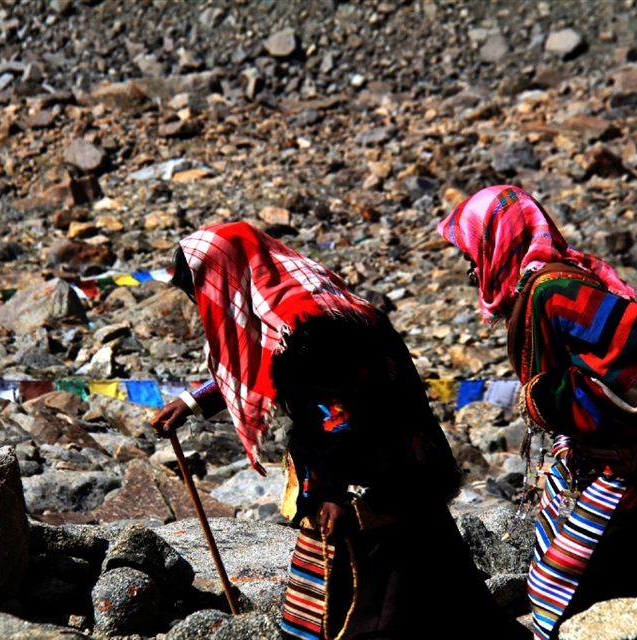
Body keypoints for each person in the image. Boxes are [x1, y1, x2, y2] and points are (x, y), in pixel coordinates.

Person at [152, 221, 530, 640]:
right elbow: (265, 363)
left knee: (369, 604)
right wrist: (192, 402)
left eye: (201, 292)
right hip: (410, 468)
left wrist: (333, 493)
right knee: (443, 581)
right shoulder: (319, 299)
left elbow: (332, 412)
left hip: (361, 484)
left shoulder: (302, 327)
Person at [437, 185, 637, 639]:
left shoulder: (555, 289)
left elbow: (636, 344)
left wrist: (540, 397)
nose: (469, 265)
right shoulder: (547, 284)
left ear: (499, 242)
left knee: (619, 580)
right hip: (627, 456)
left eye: (473, 250)